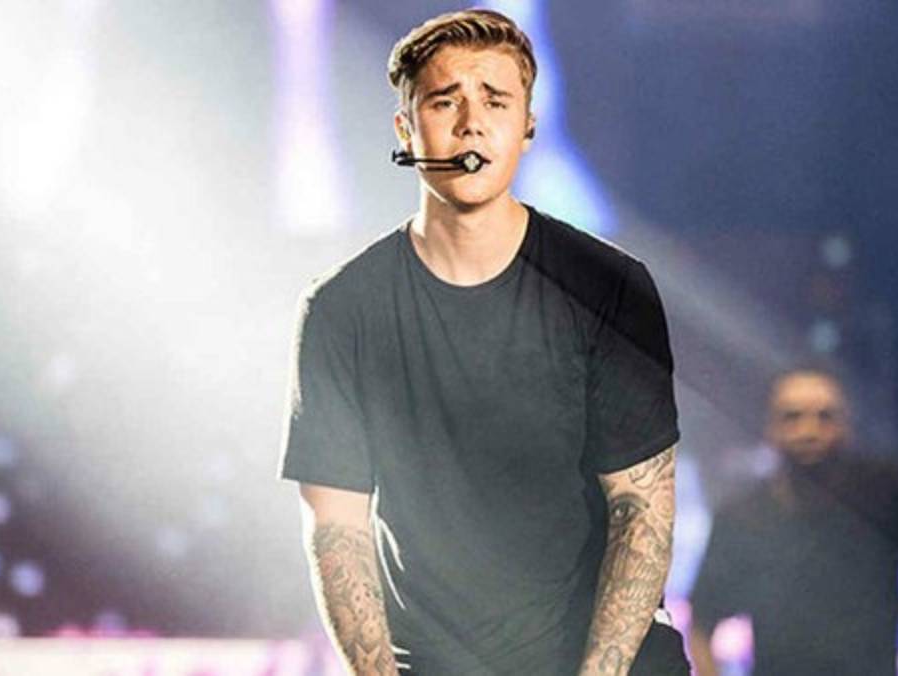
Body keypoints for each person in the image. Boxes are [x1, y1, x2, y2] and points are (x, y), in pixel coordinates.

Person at [279, 9, 689, 675]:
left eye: (495, 101)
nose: (471, 123)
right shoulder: (341, 310)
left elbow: (641, 505)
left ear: (528, 125)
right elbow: (337, 527)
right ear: (406, 129)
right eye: (445, 101)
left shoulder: (608, 287)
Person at [687, 368, 898, 676]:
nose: (809, 431)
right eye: (792, 417)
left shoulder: (888, 491)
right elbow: (700, 623)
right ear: (771, 428)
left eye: (825, 417)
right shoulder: (743, 516)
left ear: (846, 426)